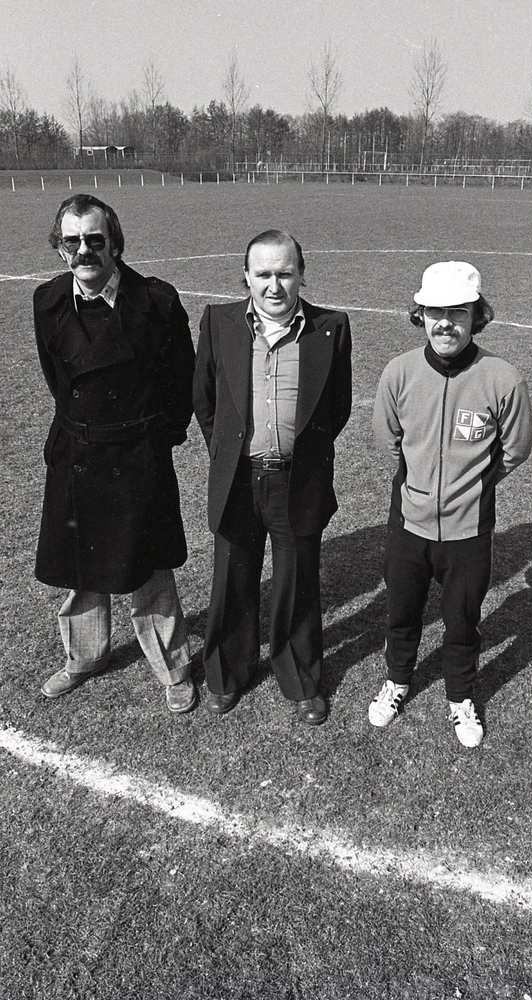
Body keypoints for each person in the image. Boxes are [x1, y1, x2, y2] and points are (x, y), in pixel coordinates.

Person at [34, 193, 196, 714]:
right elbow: (58, 379)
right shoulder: (47, 300)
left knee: (150, 568)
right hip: (77, 451)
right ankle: (85, 655)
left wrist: (155, 438)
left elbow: (182, 382)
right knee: (82, 564)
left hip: (137, 454)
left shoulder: (156, 301)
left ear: (116, 244)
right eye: (72, 242)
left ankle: (173, 667)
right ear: (60, 248)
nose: (84, 251)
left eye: (95, 240)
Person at [370, 261, 532, 746]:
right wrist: (421, 481)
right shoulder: (399, 372)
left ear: (476, 316)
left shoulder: (502, 378)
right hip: (409, 524)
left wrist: (473, 485)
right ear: (419, 314)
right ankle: (398, 681)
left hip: (469, 530)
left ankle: (460, 697)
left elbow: (516, 448)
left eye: (458, 312)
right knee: (402, 612)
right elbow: (388, 439)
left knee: (462, 621)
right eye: (434, 312)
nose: (445, 323)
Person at [193, 230, 352, 724]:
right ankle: (226, 674)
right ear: (246, 277)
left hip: (297, 479)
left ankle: (301, 679)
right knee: (232, 579)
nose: (274, 285)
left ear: (302, 274)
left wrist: (298, 451)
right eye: (263, 274)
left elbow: (337, 406)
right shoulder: (218, 322)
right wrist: (229, 451)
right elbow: (205, 399)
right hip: (238, 478)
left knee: (297, 581)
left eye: (285, 273)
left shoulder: (330, 327)